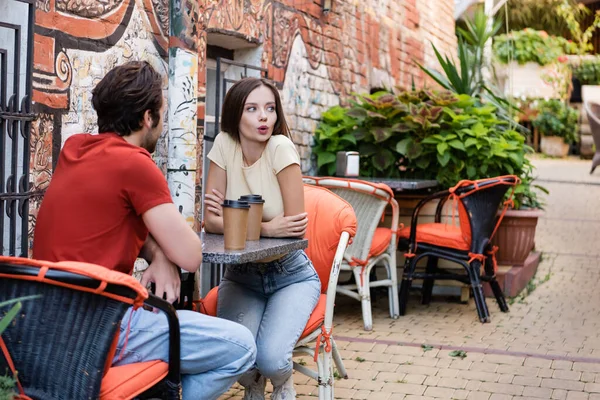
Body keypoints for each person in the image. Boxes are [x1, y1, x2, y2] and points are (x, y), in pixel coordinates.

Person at [32, 61, 257, 400]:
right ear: (148, 117)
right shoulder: (135, 164)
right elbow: (192, 256)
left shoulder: (74, 149)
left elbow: (110, 222)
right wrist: (168, 254)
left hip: (48, 323)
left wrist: (156, 254)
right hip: (101, 325)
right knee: (241, 346)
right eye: (163, 114)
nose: (163, 125)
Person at [203, 77, 321, 400]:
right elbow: (209, 222)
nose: (263, 117)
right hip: (242, 276)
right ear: (235, 115)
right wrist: (267, 227)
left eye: (270, 108)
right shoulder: (225, 146)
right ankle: (252, 383)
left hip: (290, 275)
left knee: (271, 359)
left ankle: (282, 383)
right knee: (236, 358)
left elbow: (294, 229)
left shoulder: (281, 148)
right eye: (252, 109)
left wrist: (236, 217)